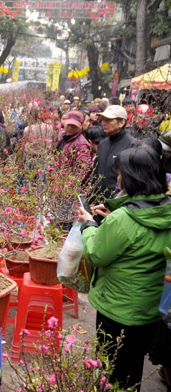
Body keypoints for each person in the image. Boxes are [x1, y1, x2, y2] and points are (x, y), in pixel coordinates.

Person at [78, 146, 171, 391]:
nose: (118, 178)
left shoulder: (123, 220)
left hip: (118, 310)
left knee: (112, 372)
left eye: (121, 174)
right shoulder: (166, 208)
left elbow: (98, 254)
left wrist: (89, 226)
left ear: (131, 178)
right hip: (149, 308)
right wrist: (115, 213)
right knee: (132, 368)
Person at [91, 105, 138, 202]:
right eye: (103, 119)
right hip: (99, 203)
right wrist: (92, 199)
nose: (103, 123)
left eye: (108, 120)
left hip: (118, 204)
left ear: (122, 122)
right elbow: (96, 173)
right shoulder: (103, 144)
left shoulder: (132, 145)